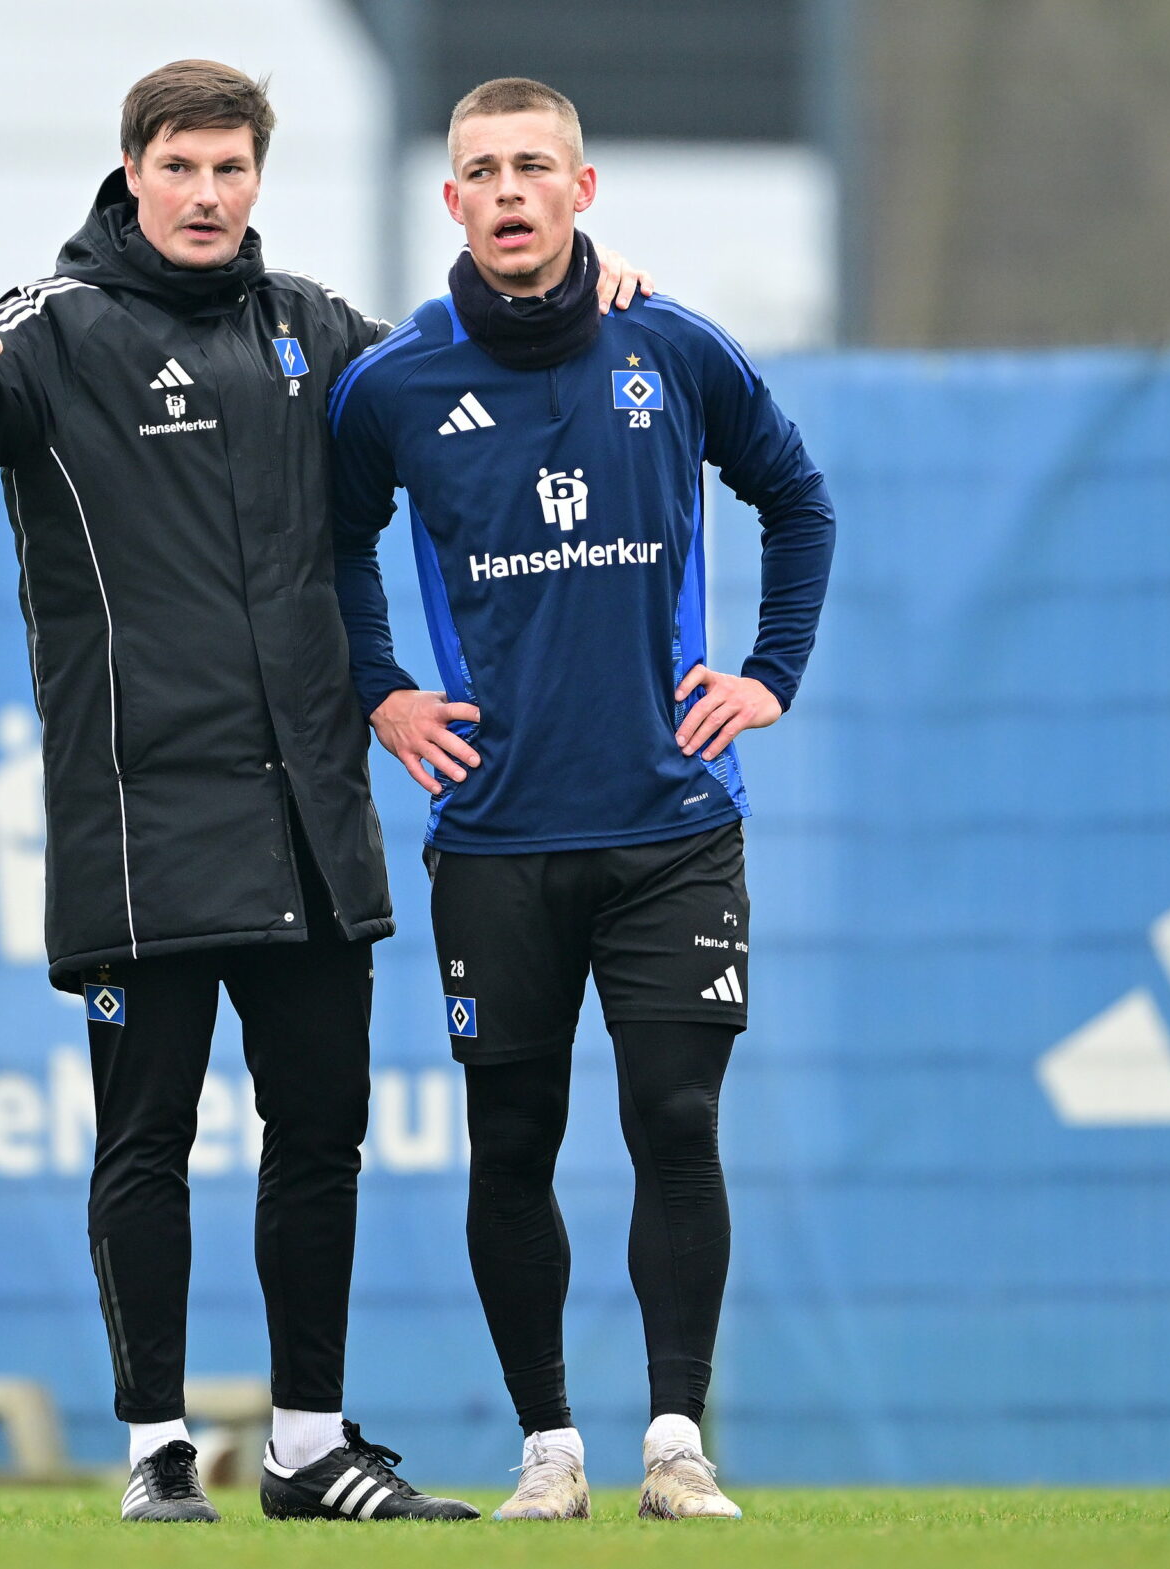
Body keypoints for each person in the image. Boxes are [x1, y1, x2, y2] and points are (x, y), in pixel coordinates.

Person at [0, 60, 644, 1525]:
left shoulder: (315, 334)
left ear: (256, 181)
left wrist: (595, 295)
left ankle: (305, 1441)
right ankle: (159, 1447)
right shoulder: (55, 327)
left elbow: (457, 364)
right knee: (146, 1139)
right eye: (182, 169)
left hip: (307, 819)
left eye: (232, 171)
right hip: (141, 820)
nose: (209, 196)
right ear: (133, 172)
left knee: (319, 1132)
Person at [327, 77, 837, 1522]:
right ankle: (550, 1450)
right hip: (496, 835)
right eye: (480, 169)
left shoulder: (667, 345)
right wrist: (384, 689)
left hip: (675, 822)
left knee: (676, 1116)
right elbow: (334, 539)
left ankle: (677, 1442)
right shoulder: (397, 383)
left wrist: (768, 675)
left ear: (582, 190)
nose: (507, 191)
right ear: (452, 202)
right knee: (514, 1139)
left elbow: (796, 498)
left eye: (532, 166)